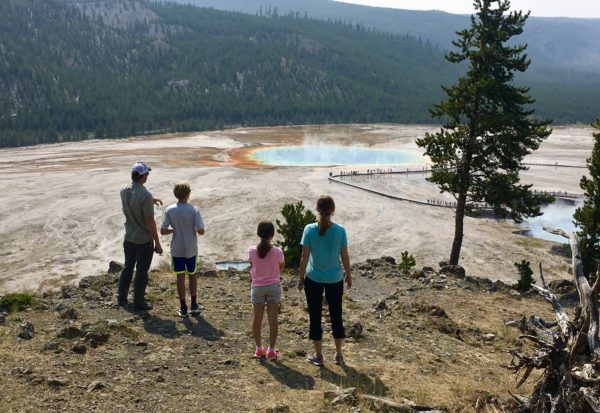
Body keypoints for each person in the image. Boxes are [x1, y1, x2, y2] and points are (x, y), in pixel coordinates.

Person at [299, 195, 352, 366]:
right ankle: (338, 355)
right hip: (335, 279)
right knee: (336, 315)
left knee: (315, 316)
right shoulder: (340, 230)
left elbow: (304, 257)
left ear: (317, 209)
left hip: (313, 278)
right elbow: (344, 256)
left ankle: (319, 355)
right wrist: (349, 275)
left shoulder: (309, 229)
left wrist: (301, 278)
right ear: (333, 210)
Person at [118, 161, 163, 310]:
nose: (148, 175)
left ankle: (122, 298)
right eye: (147, 173)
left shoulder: (123, 190)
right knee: (142, 271)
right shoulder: (145, 195)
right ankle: (139, 302)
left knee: (128, 267)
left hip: (129, 237)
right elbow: (150, 222)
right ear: (143, 177)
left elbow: (133, 196)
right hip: (144, 240)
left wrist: (151, 200)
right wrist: (157, 243)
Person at [160, 182, 205, 317]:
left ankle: (183, 305)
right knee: (192, 275)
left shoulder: (170, 209)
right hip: (191, 248)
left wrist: (174, 229)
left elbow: (163, 231)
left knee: (180, 276)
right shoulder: (194, 210)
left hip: (177, 248)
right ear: (188, 194)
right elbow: (201, 231)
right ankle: (194, 304)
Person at [248, 221, 284, 360]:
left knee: (257, 319)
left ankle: (259, 349)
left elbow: (252, 264)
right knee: (273, 320)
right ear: (272, 235)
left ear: (258, 233)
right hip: (273, 286)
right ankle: (271, 350)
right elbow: (281, 265)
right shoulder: (277, 251)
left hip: (257, 287)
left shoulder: (252, 250)